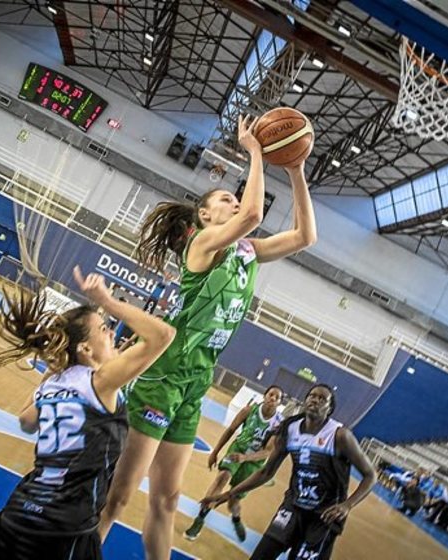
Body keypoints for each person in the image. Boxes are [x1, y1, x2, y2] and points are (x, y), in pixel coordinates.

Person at [98, 114, 317, 559]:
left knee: (167, 499)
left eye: (234, 198)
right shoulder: (201, 246)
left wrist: (296, 170)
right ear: (204, 216)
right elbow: (253, 214)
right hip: (164, 376)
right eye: (225, 198)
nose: (235, 203)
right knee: (119, 497)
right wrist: (255, 151)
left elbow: (305, 237)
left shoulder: (248, 252)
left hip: (196, 382)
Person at [0, 270, 175, 560]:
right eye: (104, 329)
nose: (112, 333)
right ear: (85, 348)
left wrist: (51, 373)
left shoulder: (54, 382)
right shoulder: (101, 382)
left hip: (18, 515)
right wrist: (107, 301)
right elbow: (163, 335)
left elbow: (26, 422)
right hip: (64, 531)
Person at [202, 384, 377, 560]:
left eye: (322, 398)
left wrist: (347, 505)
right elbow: (266, 472)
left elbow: (370, 475)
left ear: (329, 408)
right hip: (293, 505)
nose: (315, 400)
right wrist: (230, 493)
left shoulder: (340, 436)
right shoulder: (290, 430)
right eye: (312, 396)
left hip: (324, 515)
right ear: (305, 400)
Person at [184, 385, 284, 542]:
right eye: (271, 394)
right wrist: (215, 452)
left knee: (234, 501)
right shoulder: (249, 411)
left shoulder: (278, 424)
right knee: (222, 478)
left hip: (254, 461)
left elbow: (267, 452)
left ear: (279, 403)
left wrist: (245, 458)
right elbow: (230, 429)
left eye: (277, 397)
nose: (273, 398)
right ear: (264, 396)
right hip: (237, 450)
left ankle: (236, 519)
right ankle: (199, 520)